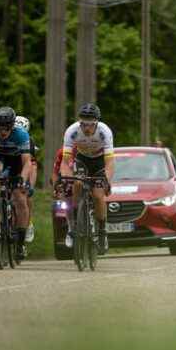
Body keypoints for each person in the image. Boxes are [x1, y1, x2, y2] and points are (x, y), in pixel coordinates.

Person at [59, 103, 115, 255]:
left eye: (90, 125)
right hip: (82, 159)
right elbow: (65, 161)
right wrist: (65, 178)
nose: (87, 128)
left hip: (99, 162)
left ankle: (102, 232)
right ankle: (76, 223)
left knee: (98, 195)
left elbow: (110, 162)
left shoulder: (104, 131)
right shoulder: (72, 131)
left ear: (96, 122)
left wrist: (107, 180)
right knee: (76, 182)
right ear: (79, 122)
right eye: (83, 124)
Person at [0, 106, 32, 260]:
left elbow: (27, 162)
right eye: (0, 128)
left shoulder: (21, 134)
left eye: (7, 128)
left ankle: (21, 244)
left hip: (17, 161)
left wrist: (22, 178)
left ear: (12, 126)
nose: (3, 132)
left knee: (20, 199)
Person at [14, 116, 38, 246]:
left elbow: (32, 166)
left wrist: (30, 186)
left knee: (26, 195)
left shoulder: (29, 141)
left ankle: (28, 224)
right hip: (8, 166)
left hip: (23, 167)